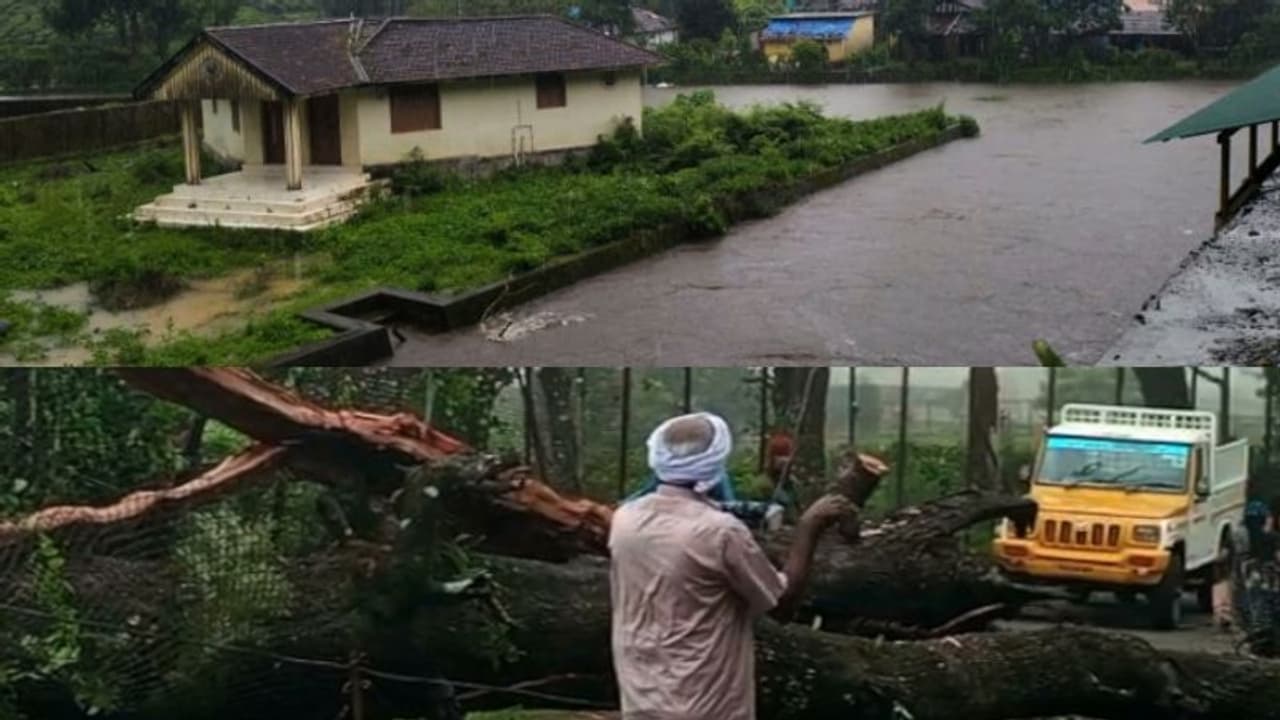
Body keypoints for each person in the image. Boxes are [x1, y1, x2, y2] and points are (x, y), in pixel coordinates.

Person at [608, 412, 854, 720]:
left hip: (641, 698)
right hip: (706, 706)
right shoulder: (720, 532)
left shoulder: (625, 520)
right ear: (716, 462)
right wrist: (809, 527)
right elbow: (782, 605)